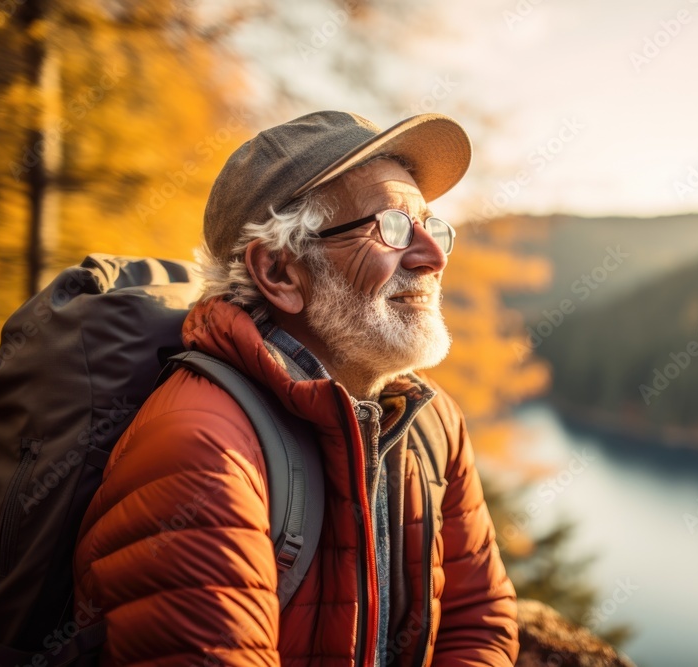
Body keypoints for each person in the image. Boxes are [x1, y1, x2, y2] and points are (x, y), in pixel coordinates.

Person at [72, 111, 519, 666]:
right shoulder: (202, 448)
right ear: (281, 273)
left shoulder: (431, 420)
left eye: (431, 225)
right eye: (393, 227)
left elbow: (480, 621)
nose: (435, 255)